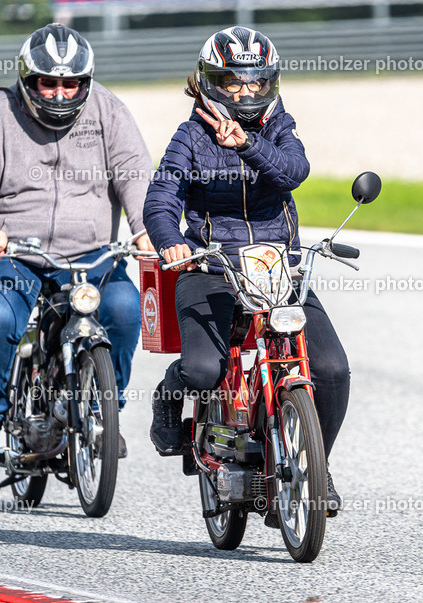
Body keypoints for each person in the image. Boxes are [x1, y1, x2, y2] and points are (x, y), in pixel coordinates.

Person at [142, 26, 349, 514]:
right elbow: (161, 197)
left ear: (270, 83)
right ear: (210, 82)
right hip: (211, 266)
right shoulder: (190, 135)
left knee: (332, 369)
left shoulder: (279, 125)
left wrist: (246, 145)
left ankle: (313, 467)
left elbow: (293, 172)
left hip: (278, 269)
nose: (246, 93)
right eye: (234, 83)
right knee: (201, 370)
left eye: (256, 83)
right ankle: (168, 396)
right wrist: (171, 242)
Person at [0, 23, 153, 460]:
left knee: (124, 309)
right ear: (27, 78)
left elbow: (134, 173)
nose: (60, 93)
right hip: (10, 251)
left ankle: (101, 412)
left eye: (71, 84)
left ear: (86, 81)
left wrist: (143, 227)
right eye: (49, 82)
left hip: (91, 255)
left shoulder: (109, 112)